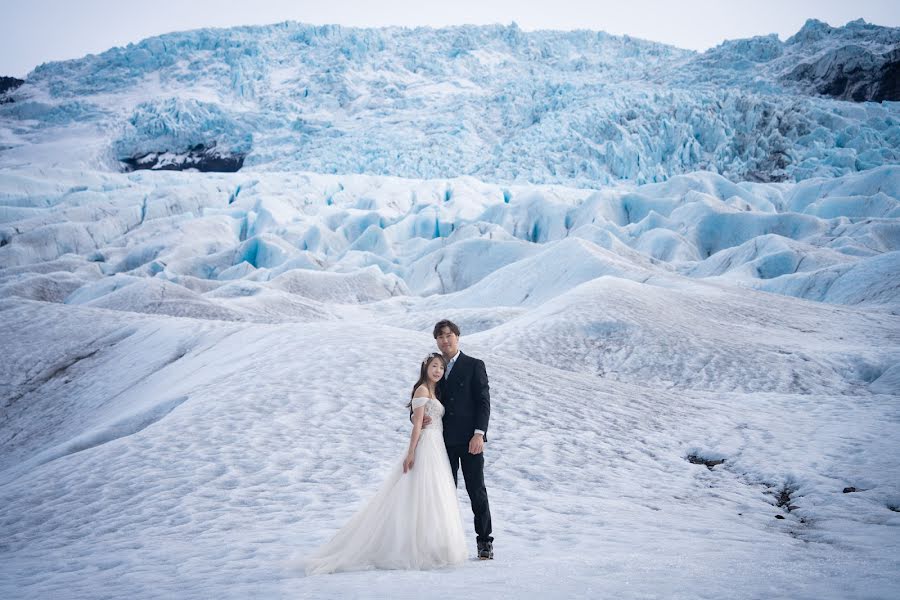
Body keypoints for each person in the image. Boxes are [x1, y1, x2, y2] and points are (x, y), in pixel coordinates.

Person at [304, 353, 468, 575]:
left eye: (441, 367)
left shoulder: (434, 391)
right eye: (434, 366)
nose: (438, 370)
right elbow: (417, 425)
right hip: (426, 444)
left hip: (437, 445)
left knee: (434, 494)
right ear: (426, 368)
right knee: (419, 493)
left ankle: (431, 545)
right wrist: (410, 453)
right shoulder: (421, 390)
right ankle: (412, 546)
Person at [422, 319, 494, 560]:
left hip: (470, 440)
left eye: (448, 335)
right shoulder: (435, 367)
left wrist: (479, 433)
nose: (445, 340)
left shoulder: (474, 365)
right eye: (440, 337)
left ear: (457, 336)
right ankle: (447, 543)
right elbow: (422, 394)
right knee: (444, 492)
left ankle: (484, 542)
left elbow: (483, 402)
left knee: (476, 491)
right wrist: (416, 416)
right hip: (442, 442)